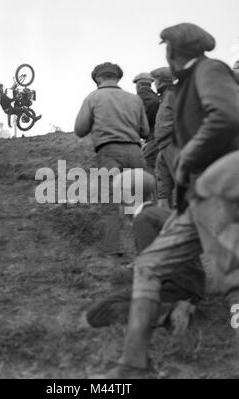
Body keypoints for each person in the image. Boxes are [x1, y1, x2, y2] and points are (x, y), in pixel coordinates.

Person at [97, 22, 239, 379]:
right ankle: (134, 363)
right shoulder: (186, 85)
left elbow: (228, 115)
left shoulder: (211, 70)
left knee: (232, 274)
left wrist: (189, 155)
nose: (166, 56)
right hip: (194, 200)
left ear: (175, 52)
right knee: (148, 266)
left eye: (167, 50)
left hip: (217, 192)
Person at [87, 170, 205, 331]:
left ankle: (169, 310)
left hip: (175, 287)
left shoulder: (143, 220)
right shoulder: (163, 212)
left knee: (97, 313)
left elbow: (151, 269)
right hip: (193, 283)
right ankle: (176, 306)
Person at [74, 62, 149, 267]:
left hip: (109, 154)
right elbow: (146, 131)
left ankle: (113, 256)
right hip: (135, 153)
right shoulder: (135, 99)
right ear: (118, 78)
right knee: (138, 206)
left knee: (110, 205)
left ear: (98, 78)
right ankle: (144, 255)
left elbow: (80, 129)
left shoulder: (93, 98)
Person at [151, 67, 178, 209]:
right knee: (163, 189)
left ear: (161, 81)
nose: (154, 83)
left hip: (173, 144)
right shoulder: (165, 97)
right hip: (163, 146)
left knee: (182, 183)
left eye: (155, 80)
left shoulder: (174, 95)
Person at [133, 73, 160, 173]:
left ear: (138, 85)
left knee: (145, 165)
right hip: (158, 136)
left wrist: (142, 127)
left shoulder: (142, 94)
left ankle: (149, 188)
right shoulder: (155, 96)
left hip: (153, 137)